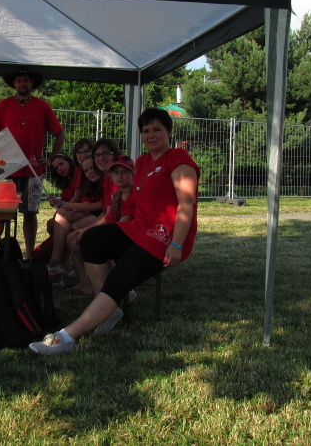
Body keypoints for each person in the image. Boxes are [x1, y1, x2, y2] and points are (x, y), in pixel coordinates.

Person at [29, 108, 200, 355]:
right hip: (137, 229)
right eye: (146, 131)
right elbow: (132, 202)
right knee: (90, 239)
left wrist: (176, 244)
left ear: (169, 132)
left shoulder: (177, 158)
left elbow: (186, 203)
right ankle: (109, 310)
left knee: (118, 280)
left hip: (162, 238)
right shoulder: (143, 162)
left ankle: (67, 337)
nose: (151, 135)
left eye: (157, 130)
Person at [0, 67, 65, 256]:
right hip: (6, 170)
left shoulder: (43, 106)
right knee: (0, 213)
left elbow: (59, 134)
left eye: (26, 80)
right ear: (14, 84)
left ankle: (29, 256)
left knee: (30, 213)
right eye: (19, 80)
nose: (22, 84)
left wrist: (51, 159)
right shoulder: (3, 105)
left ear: (32, 83)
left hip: (32, 170)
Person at [45, 139, 121, 279]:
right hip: (99, 216)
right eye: (78, 152)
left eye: (85, 152)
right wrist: (62, 204)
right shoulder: (87, 179)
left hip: (107, 220)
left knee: (64, 221)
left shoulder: (109, 177)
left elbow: (103, 208)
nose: (81, 155)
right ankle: (69, 272)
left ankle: (56, 264)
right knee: (66, 227)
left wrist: (68, 207)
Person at [66, 155, 136, 295]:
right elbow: (110, 217)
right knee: (81, 238)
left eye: (124, 172)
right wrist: (86, 229)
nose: (120, 176)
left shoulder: (132, 195)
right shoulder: (118, 195)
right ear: (111, 175)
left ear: (133, 174)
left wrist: (88, 232)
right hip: (120, 234)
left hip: (131, 238)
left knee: (93, 243)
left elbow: (122, 224)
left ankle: (113, 288)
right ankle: (108, 286)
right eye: (116, 173)